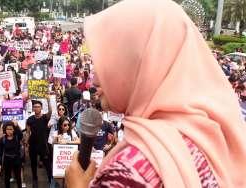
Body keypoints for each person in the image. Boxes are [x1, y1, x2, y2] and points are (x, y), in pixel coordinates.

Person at [65, 0, 246, 187]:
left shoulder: (129, 172)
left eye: (107, 63)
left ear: (138, 64)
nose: (95, 80)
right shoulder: (209, 135)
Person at [26, 100, 52, 187]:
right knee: (33, 164)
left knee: (47, 164)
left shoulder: (45, 117)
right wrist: (26, 143)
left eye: (38, 107)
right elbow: (27, 132)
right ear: (33, 108)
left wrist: (48, 100)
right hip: (33, 144)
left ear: (41, 108)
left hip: (43, 145)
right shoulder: (30, 119)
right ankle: (35, 179)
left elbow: (51, 112)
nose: (36, 108)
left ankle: (50, 180)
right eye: (35, 107)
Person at [0, 121, 23, 188]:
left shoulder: (17, 137)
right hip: (7, 161)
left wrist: (17, 126)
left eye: (11, 129)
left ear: (14, 130)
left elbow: (21, 134)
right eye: (7, 129)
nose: (9, 131)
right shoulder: (2, 139)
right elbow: (0, 153)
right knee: (7, 178)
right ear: (5, 130)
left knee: (18, 177)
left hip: (16, 160)